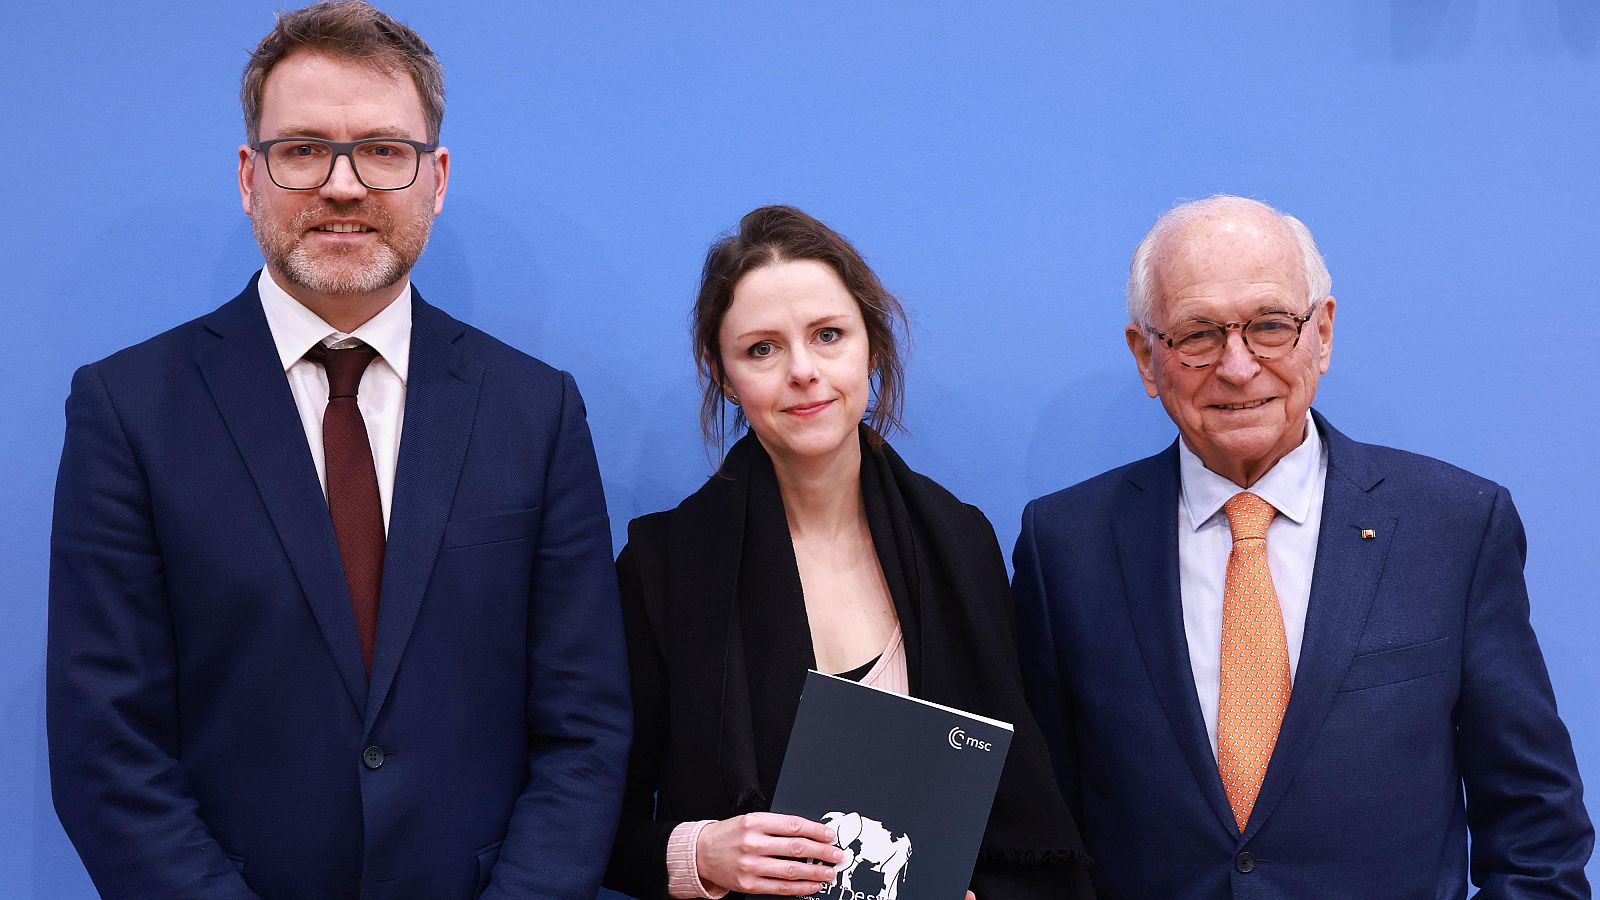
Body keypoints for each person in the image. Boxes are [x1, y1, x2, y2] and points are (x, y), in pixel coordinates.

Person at [45, 3, 630, 897]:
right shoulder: (128, 409)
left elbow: (585, 728)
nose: (344, 185)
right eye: (304, 149)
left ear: (435, 178)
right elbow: (106, 745)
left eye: (384, 151)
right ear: (250, 176)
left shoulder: (535, 410)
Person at [1013, 195, 1593, 898]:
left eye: (1269, 326)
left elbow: (1536, 831)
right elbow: (1045, 832)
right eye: (1198, 334)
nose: (1237, 366)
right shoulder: (1065, 547)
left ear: (1322, 333)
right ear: (1146, 357)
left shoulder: (1454, 527)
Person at [602, 205, 1092, 900]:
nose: (803, 371)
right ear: (722, 373)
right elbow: (594, 823)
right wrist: (701, 853)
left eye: (828, 335)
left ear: (872, 346)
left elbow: (1022, 807)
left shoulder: (962, 542)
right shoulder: (663, 568)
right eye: (762, 349)